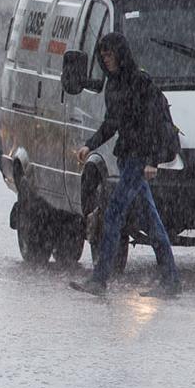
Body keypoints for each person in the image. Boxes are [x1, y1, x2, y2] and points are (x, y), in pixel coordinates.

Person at [70, 33, 182, 298]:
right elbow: (112, 122)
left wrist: (151, 160)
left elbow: (154, 122)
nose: (107, 60)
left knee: (113, 214)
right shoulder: (114, 84)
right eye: (104, 56)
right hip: (127, 155)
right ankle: (171, 279)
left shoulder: (140, 81)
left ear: (121, 54)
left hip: (138, 158)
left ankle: (100, 279)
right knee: (151, 220)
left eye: (110, 55)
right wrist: (90, 144)